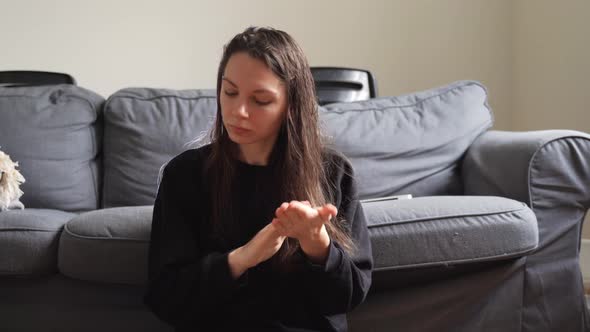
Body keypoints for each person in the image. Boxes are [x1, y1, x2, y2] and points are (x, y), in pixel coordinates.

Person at [144, 26, 373, 332]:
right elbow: (166, 297)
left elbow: (348, 297)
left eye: (260, 100)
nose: (238, 111)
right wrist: (241, 259)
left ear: (291, 106)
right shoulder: (185, 175)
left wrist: (317, 245)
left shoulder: (332, 172)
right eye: (230, 92)